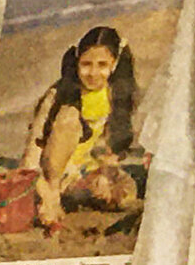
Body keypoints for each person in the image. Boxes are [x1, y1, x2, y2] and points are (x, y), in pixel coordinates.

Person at [18, 25, 139, 231]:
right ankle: (55, 195)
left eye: (102, 65)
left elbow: (110, 151)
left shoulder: (115, 94)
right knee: (69, 116)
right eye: (86, 64)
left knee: (126, 197)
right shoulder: (58, 96)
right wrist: (48, 194)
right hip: (51, 176)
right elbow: (29, 162)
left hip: (84, 174)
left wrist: (105, 174)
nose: (93, 73)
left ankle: (77, 196)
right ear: (76, 63)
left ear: (114, 64)